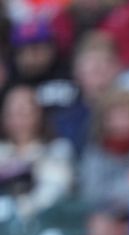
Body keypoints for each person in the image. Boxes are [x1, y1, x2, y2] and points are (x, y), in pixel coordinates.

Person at [0, 83, 74, 222]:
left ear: (38, 114)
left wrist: (18, 209)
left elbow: (53, 193)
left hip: (41, 223)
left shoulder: (57, 149)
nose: (17, 121)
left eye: (23, 113)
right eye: (11, 114)